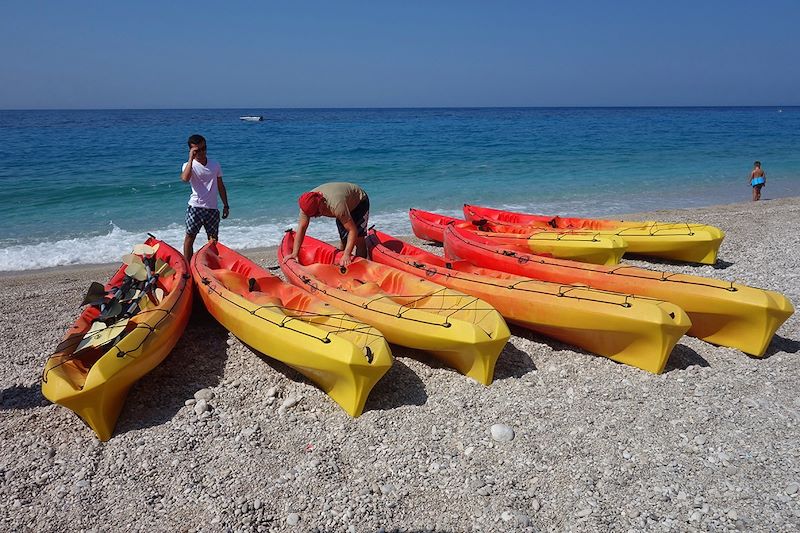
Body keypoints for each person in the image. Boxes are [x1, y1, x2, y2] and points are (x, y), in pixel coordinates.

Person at [284, 182, 370, 268]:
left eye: (318, 212)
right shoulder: (306, 205)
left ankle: (361, 267)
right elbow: (302, 228)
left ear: (322, 202)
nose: (317, 216)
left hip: (359, 202)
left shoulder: (336, 206)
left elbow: (352, 230)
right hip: (344, 204)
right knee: (344, 239)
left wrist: (347, 254)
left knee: (359, 239)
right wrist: (295, 253)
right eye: (313, 215)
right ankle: (342, 265)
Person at [180, 134, 229, 261]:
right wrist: (191, 158)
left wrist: (226, 205)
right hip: (195, 207)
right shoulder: (188, 165)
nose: (202, 152)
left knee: (213, 240)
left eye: (204, 148)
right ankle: (187, 266)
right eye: (197, 150)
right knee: (190, 237)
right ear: (192, 151)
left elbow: (220, 185)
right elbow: (185, 179)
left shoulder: (215, 164)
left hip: (212, 208)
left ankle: (211, 263)